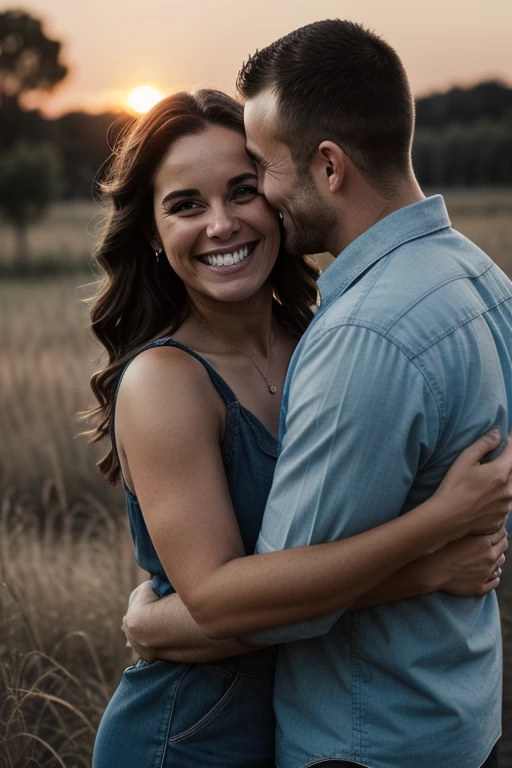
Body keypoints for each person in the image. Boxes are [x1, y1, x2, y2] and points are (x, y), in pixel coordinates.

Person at [121, 21, 512, 768]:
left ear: (326, 166)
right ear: (151, 232)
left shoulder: (344, 339)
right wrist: (432, 543)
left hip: (365, 733)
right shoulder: (483, 281)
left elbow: (252, 602)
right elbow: (229, 600)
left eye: (252, 180)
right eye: (184, 205)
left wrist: (159, 621)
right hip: (187, 735)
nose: (231, 217)